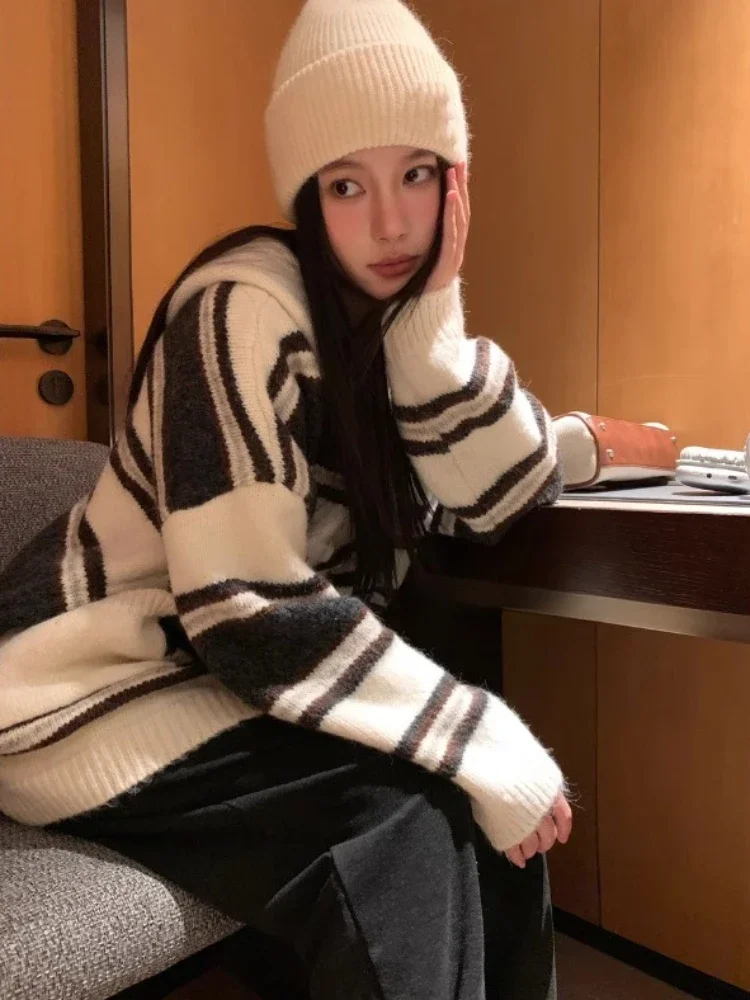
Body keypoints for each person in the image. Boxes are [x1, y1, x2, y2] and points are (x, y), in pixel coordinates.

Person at [0, 1, 572, 997]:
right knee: (405, 815)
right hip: (84, 695)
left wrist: (435, 323)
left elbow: (497, 498)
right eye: (347, 185)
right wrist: (477, 735)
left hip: (214, 685)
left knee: (471, 802)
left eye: (417, 174)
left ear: (456, 181)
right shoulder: (241, 308)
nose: (389, 222)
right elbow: (249, 607)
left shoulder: (390, 330)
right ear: (307, 196)